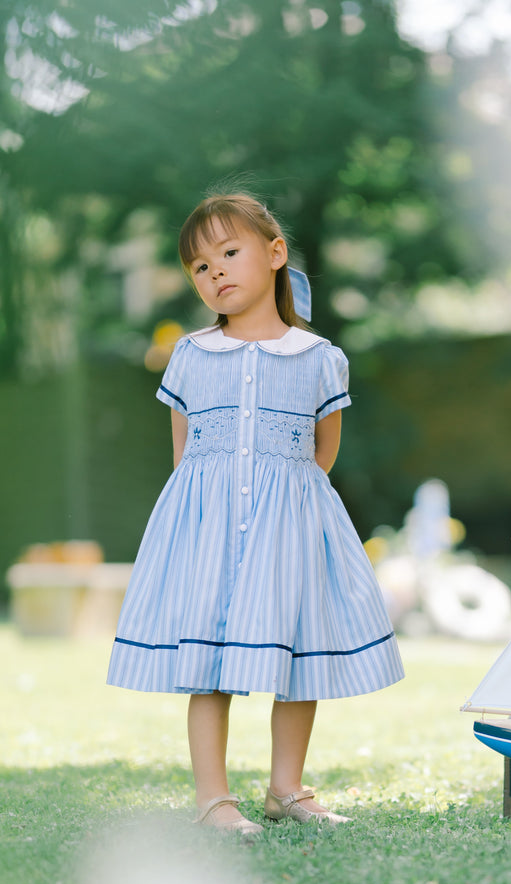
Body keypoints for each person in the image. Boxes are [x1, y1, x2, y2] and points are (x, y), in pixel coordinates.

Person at [107, 193, 404, 836]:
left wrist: (280, 513)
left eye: (229, 253)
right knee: (208, 664)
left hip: (291, 529)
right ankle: (214, 800)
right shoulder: (189, 355)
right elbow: (186, 454)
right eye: (199, 266)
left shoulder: (320, 357)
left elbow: (322, 456)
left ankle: (287, 789)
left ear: (275, 255)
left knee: (294, 656)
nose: (214, 272)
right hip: (207, 529)